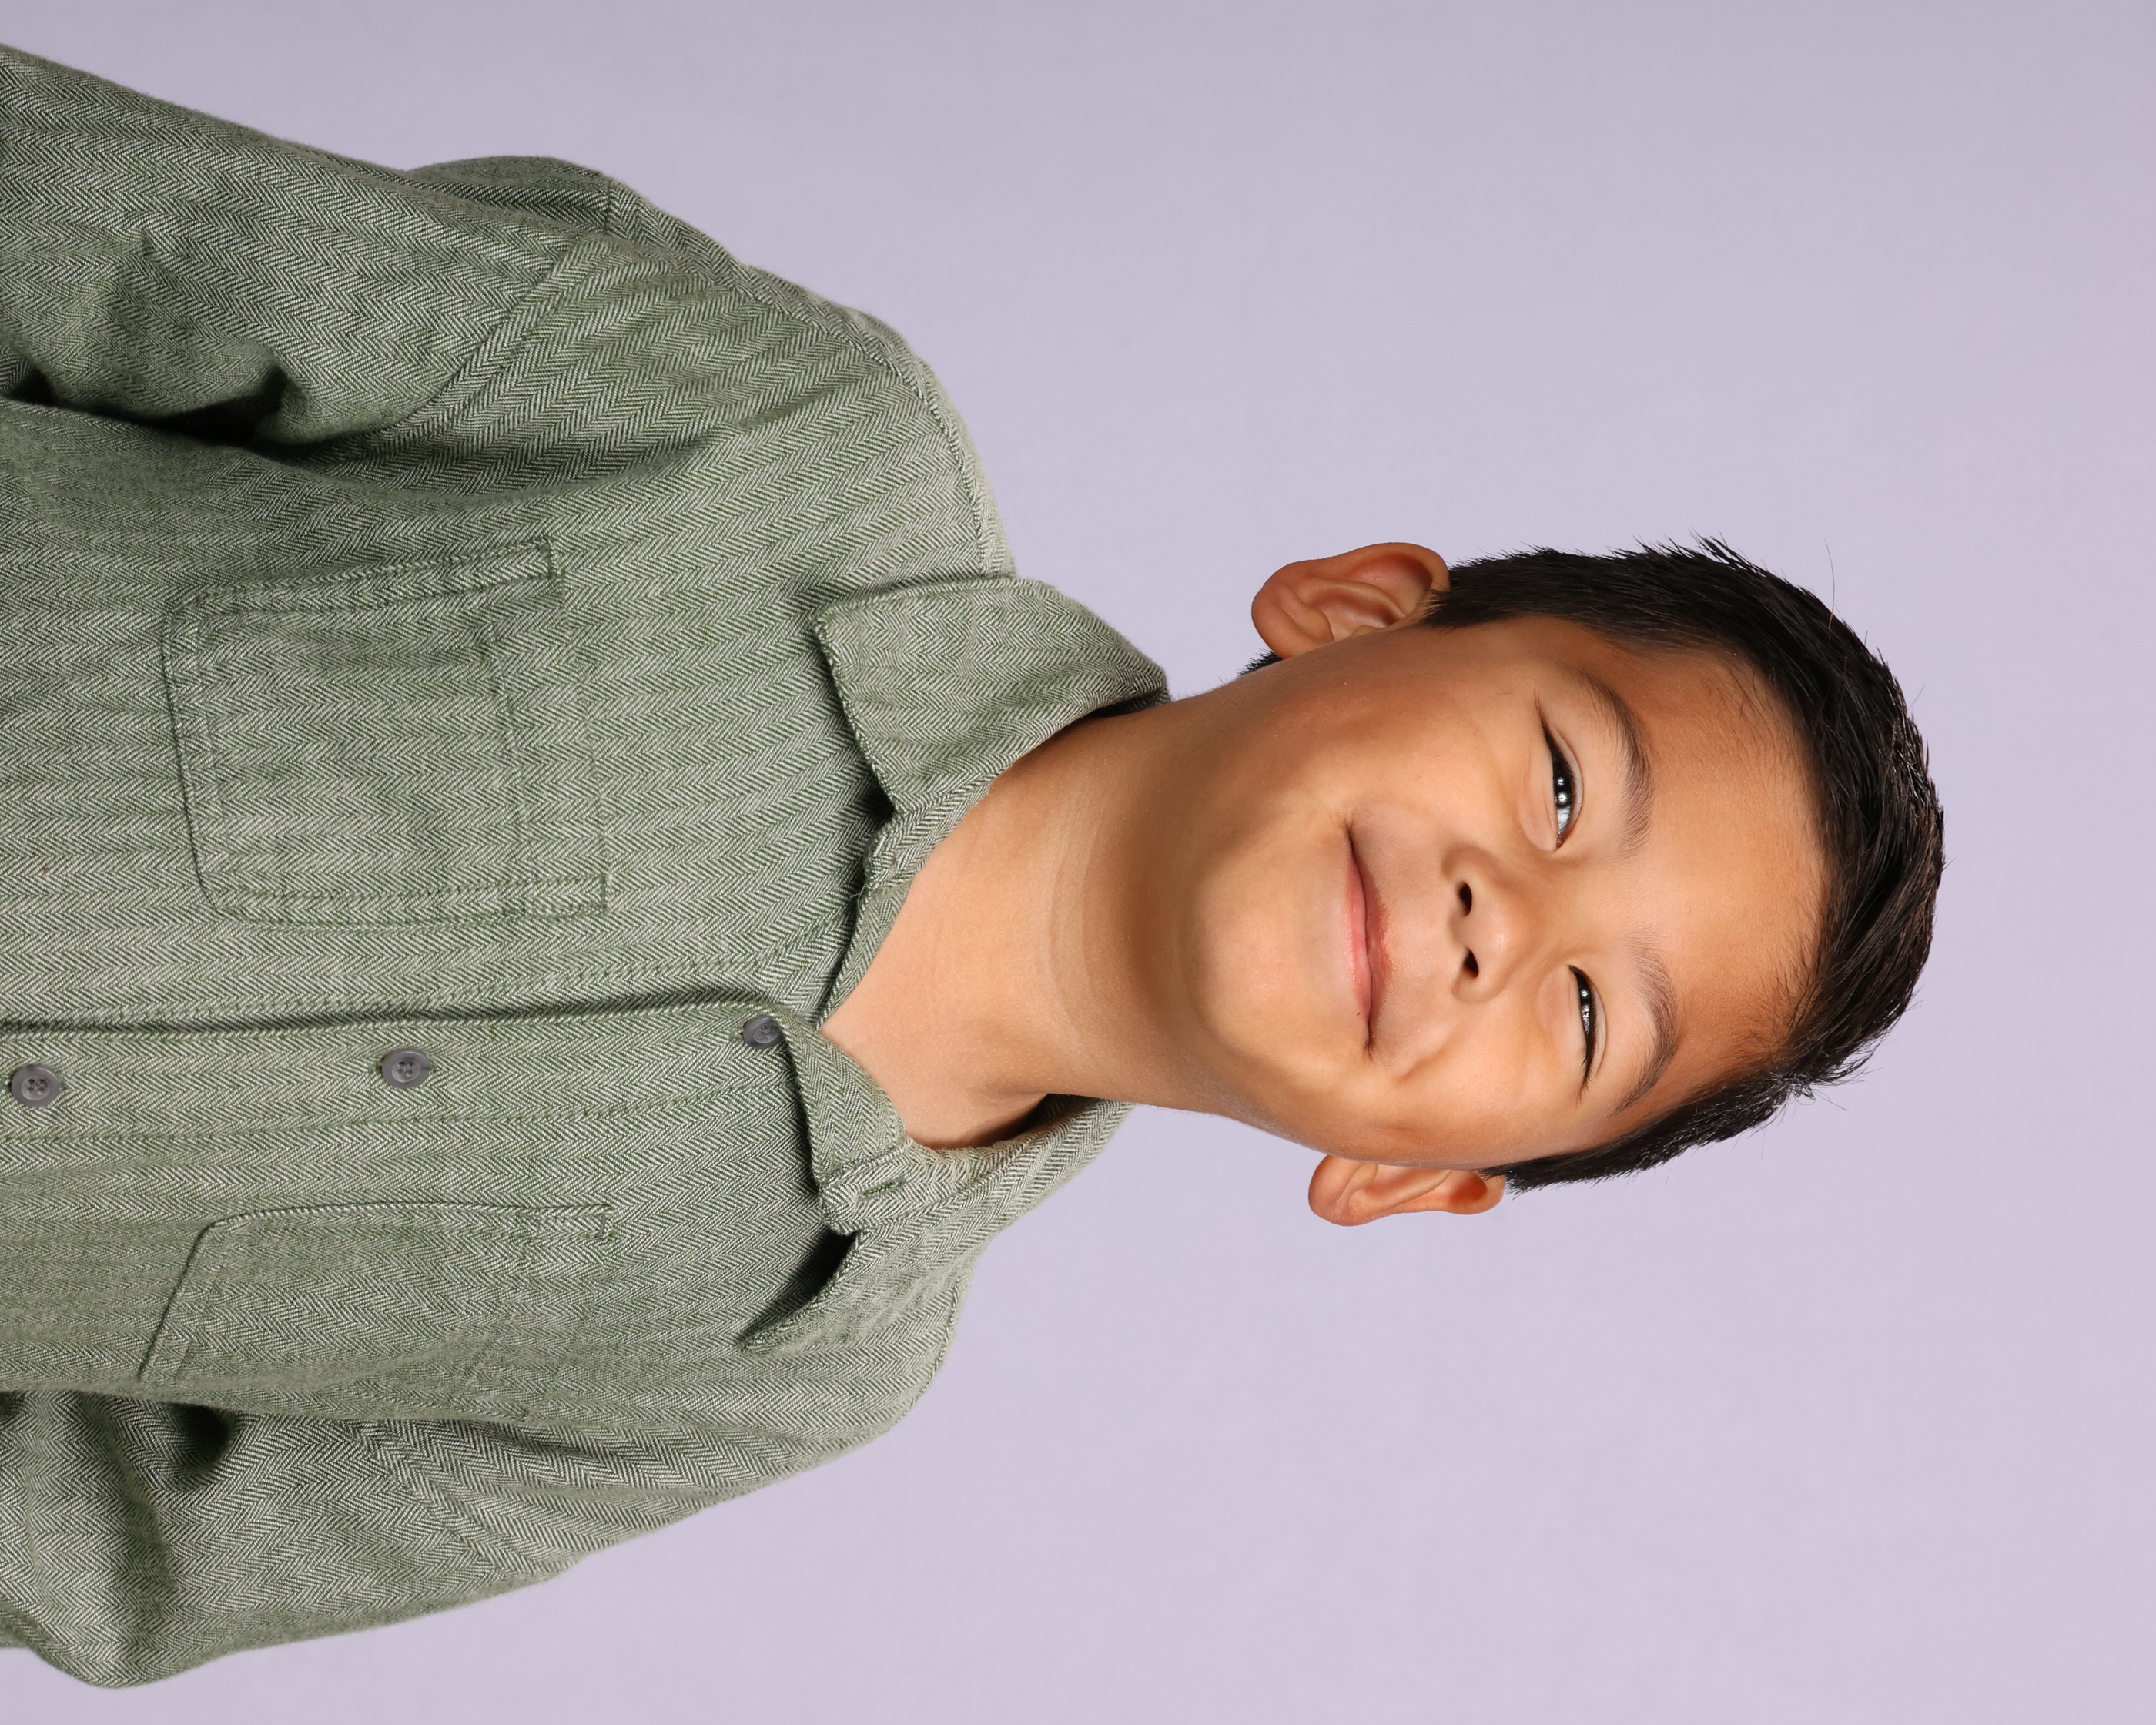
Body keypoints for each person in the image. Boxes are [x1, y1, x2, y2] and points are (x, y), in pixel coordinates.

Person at [0, 42, 1943, 1686]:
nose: (1494, 924)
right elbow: (93, 226)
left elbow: (119, 1551)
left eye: (1587, 1013)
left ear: (1411, 1177)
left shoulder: (787, 1365)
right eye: (1561, 786)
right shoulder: (783, 438)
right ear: (1354, 606)